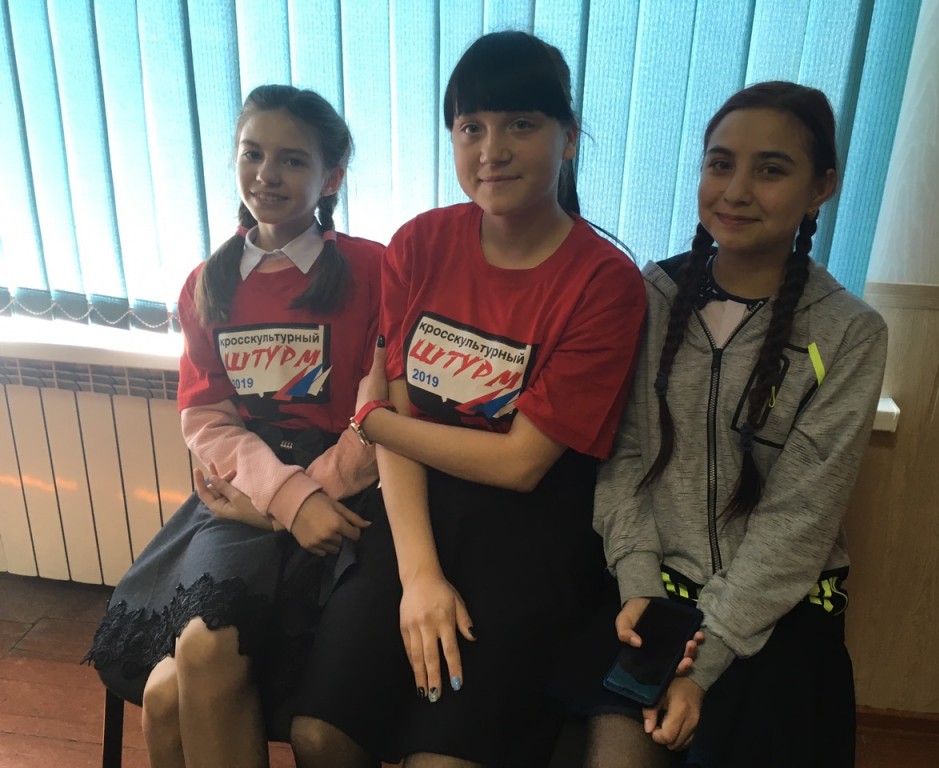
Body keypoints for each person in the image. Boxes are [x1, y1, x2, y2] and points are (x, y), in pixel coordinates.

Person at [281, 30, 647, 768]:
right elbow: (402, 421)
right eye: (470, 127)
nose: (492, 150)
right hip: (412, 510)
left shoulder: (606, 282)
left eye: (521, 124)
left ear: (569, 139)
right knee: (319, 737)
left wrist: (373, 420)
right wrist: (419, 574)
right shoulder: (419, 244)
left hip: (530, 539)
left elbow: (519, 464)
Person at [584, 81, 887, 768]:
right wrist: (641, 590)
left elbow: (799, 521)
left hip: (778, 612)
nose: (737, 190)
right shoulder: (652, 295)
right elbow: (623, 458)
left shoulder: (849, 332)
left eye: (771, 170)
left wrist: (702, 665)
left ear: (821, 187)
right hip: (652, 591)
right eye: (720, 164)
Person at [84, 84, 383, 768]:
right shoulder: (207, 282)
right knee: (199, 652)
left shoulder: (374, 268)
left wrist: (313, 494)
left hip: (350, 490)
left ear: (331, 178)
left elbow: (383, 409)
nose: (267, 175)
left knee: (178, 694)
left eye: (292, 160)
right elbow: (207, 419)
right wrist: (286, 500)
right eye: (252, 154)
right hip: (247, 486)